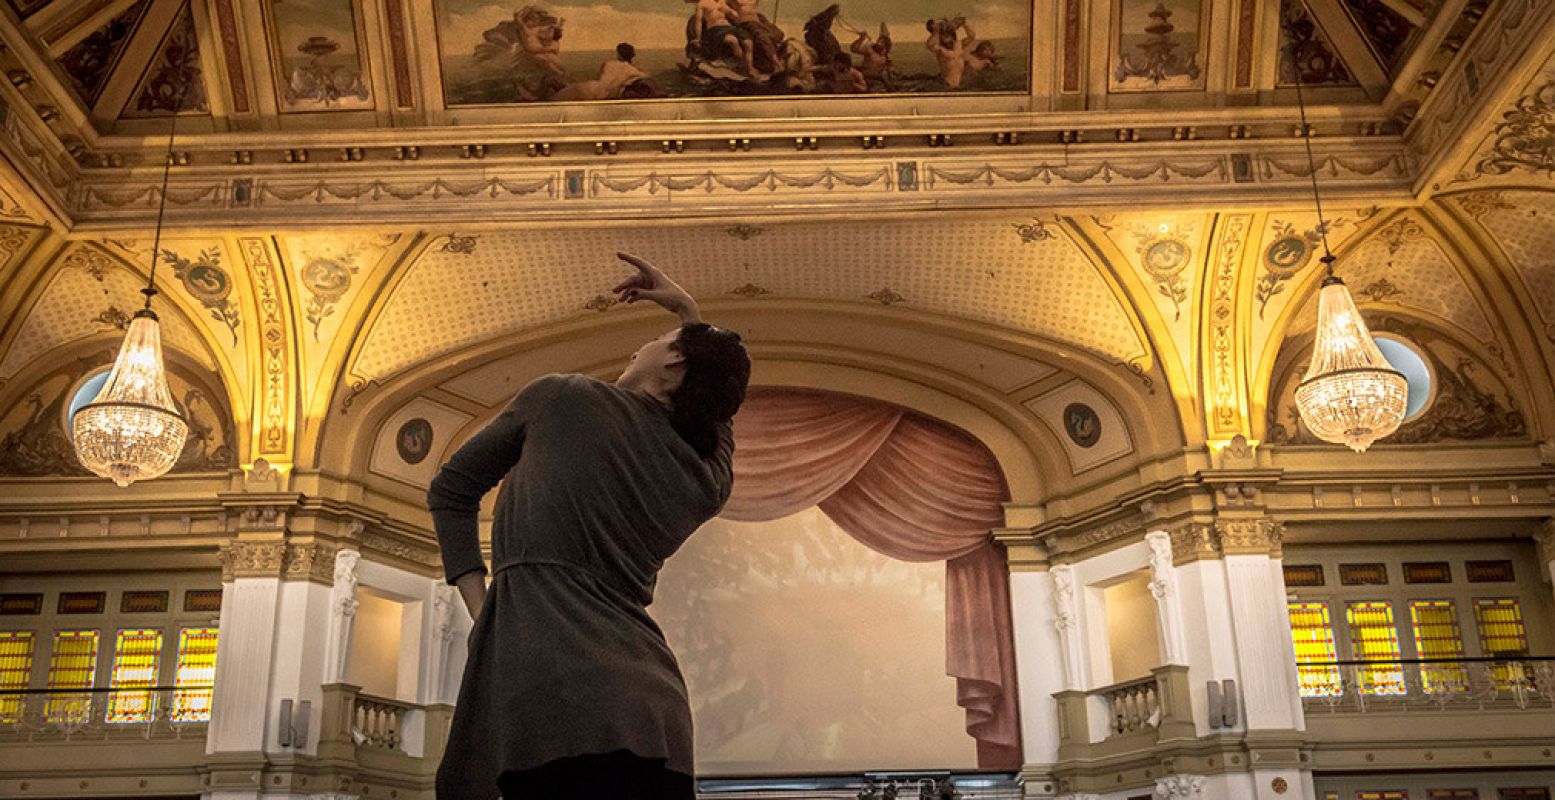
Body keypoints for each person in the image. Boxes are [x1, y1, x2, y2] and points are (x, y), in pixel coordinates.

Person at [430, 252, 752, 800]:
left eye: (659, 339)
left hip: (553, 693)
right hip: (656, 718)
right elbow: (719, 407)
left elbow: (449, 490)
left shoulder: (562, 396)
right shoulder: (706, 475)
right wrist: (693, 324)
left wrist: (485, 610)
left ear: (675, 363)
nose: (639, 346)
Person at [552, 43, 649, 101]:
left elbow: (604, 82)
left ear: (619, 54)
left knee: (556, 98)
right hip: (593, 91)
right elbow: (645, 76)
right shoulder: (632, 71)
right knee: (558, 95)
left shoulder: (610, 64)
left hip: (589, 89)